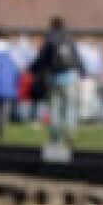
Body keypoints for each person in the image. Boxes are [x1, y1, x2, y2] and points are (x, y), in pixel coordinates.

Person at [32, 16, 83, 148]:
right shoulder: (69, 38)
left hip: (54, 78)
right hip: (71, 77)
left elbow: (42, 58)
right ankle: (70, 133)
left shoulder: (50, 38)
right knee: (70, 108)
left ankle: (55, 137)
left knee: (55, 108)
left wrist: (32, 69)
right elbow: (76, 57)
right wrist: (82, 72)